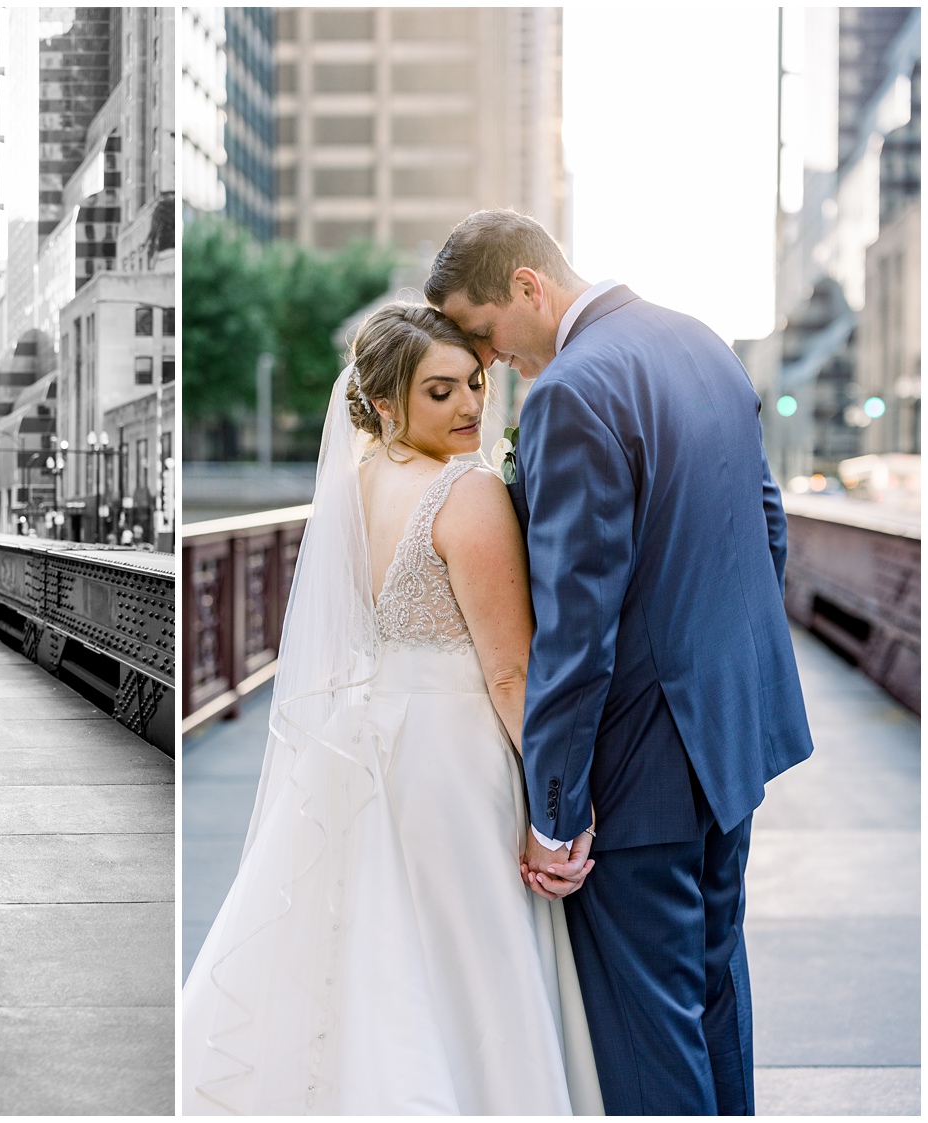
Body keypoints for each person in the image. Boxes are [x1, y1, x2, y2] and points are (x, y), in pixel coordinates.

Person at [426, 209, 813, 1115]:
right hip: (730, 736)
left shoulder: (570, 391)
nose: (493, 362)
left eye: (485, 333)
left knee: (649, 1024)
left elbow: (577, 626)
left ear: (528, 286)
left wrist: (556, 814)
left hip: (642, 762)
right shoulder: (703, 343)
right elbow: (766, 528)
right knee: (716, 983)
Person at [182, 303, 604, 1115]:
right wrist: (564, 806)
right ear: (384, 403)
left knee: (367, 954)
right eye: (440, 392)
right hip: (453, 751)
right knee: (468, 964)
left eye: (475, 383)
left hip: (364, 737)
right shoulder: (468, 490)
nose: (471, 407)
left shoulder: (357, 482)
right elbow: (511, 671)